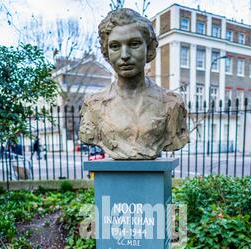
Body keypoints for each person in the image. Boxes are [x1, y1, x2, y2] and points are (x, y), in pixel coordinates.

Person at [79, 8, 189, 160]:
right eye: (115, 46)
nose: (124, 55)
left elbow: (176, 138)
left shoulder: (172, 103)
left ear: (148, 48)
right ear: (106, 52)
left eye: (134, 44)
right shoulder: (93, 105)